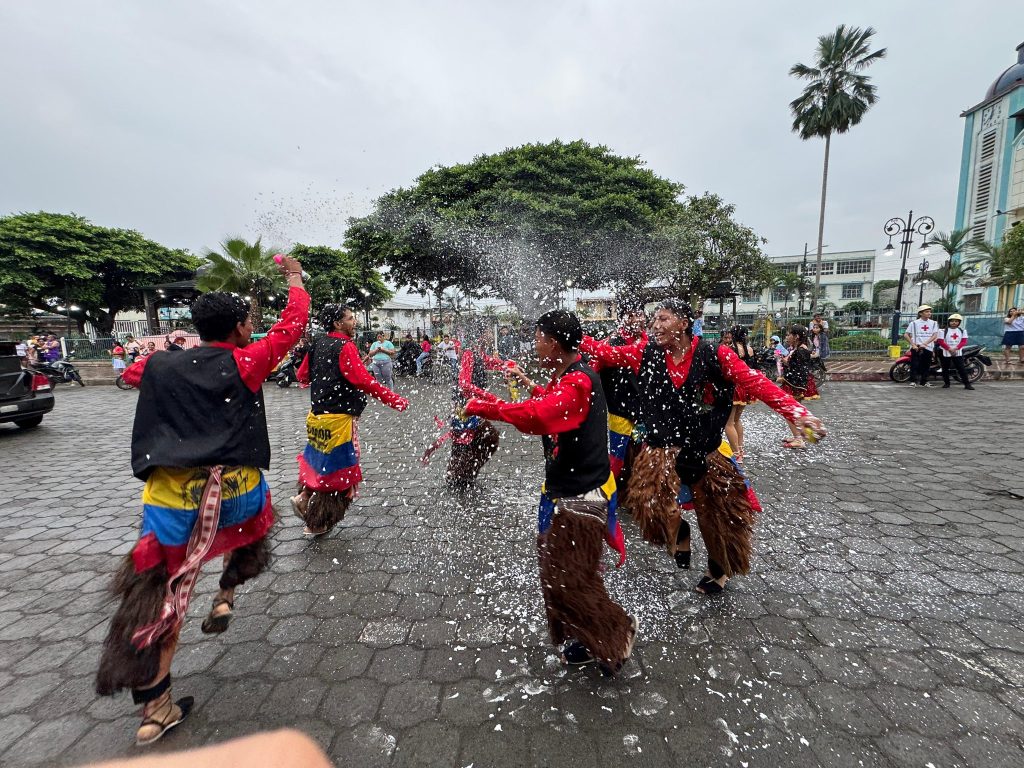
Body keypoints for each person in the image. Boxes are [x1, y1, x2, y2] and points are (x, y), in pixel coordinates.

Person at [94, 256, 309, 746]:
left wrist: (173, 355)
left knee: (158, 596)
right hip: (235, 495)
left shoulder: (158, 365)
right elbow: (294, 323)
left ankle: (155, 710)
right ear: (240, 328)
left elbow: (133, 374)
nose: (252, 328)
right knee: (252, 531)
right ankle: (226, 593)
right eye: (249, 322)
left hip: (170, 504)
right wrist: (294, 278)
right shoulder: (246, 361)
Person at [581, 300, 825, 594]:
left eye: (663, 319)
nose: (655, 325)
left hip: (704, 449)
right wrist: (568, 334)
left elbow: (756, 383)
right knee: (649, 506)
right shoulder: (645, 352)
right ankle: (679, 531)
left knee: (714, 516)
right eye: (654, 319)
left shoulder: (715, 355)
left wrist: (797, 413)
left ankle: (717, 567)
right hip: (661, 450)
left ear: (683, 324)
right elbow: (606, 353)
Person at [465, 310, 636, 675]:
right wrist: (526, 382)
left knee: (567, 576)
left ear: (554, 343)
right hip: (565, 488)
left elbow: (541, 416)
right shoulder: (569, 376)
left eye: (538, 338)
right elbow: (551, 402)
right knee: (564, 571)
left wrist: (490, 408)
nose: (535, 345)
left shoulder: (579, 381)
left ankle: (616, 632)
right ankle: (586, 636)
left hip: (582, 495)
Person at [292, 305, 408, 537]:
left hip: (317, 417)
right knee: (340, 472)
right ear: (338, 323)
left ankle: (304, 496)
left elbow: (302, 375)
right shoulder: (345, 346)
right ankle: (317, 522)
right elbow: (363, 380)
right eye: (350, 318)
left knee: (319, 462)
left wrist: (328, 376)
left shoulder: (318, 343)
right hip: (339, 420)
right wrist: (394, 400)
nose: (354, 322)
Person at [592, 298, 646, 484]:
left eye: (639, 314)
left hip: (643, 413)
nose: (637, 319)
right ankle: (606, 493)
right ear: (622, 319)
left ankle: (638, 493)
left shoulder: (650, 342)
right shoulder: (611, 343)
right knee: (617, 459)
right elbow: (591, 372)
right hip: (620, 413)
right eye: (631, 315)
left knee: (643, 457)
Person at [777, 325, 821, 447]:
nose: (787, 337)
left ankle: (799, 439)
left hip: (794, 385)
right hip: (796, 384)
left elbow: (798, 371)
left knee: (789, 412)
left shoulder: (800, 351)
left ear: (796, 336)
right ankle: (798, 435)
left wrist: (784, 376)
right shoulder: (800, 349)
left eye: (789, 335)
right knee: (794, 411)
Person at [721, 325, 756, 463]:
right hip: (745, 387)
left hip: (733, 388)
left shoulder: (730, 349)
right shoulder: (749, 349)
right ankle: (740, 449)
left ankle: (736, 454)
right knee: (737, 420)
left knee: (728, 423)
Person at [904, 305, 940, 387]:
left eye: (929, 311)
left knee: (926, 365)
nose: (929, 313)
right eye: (926, 312)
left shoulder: (934, 323)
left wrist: (925, 344)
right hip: (916, 347)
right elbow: (906, 335)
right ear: (920, 313)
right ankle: (913, 381)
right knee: (914, 364)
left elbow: (934, 335)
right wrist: (913, 344)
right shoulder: (914, 323)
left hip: (928, 347)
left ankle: (924, 381)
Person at [937, 313, 974, 390]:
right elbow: (941, 341)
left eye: (956, 321)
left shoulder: (962, 331)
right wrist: (949, 349)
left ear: (959, 322)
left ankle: (967, 384)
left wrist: (956, 348)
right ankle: (947, 383)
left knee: (961, 368)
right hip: (945, 352)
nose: (954, 323)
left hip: (957, 352)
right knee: (945, 368)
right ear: (949, 322)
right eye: (952, 321)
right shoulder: (942, 331)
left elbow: (964, 341)